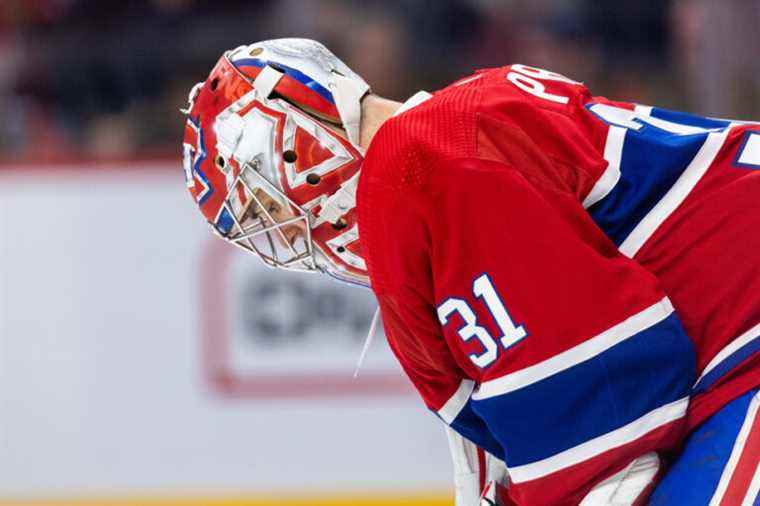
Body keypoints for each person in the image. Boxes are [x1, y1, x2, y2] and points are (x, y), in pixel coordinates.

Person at [181, 39, 760, 505]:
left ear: (293, 150)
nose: (287, 236)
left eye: (268, 210)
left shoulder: (416, 164)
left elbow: (611, 403)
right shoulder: (433, 144)